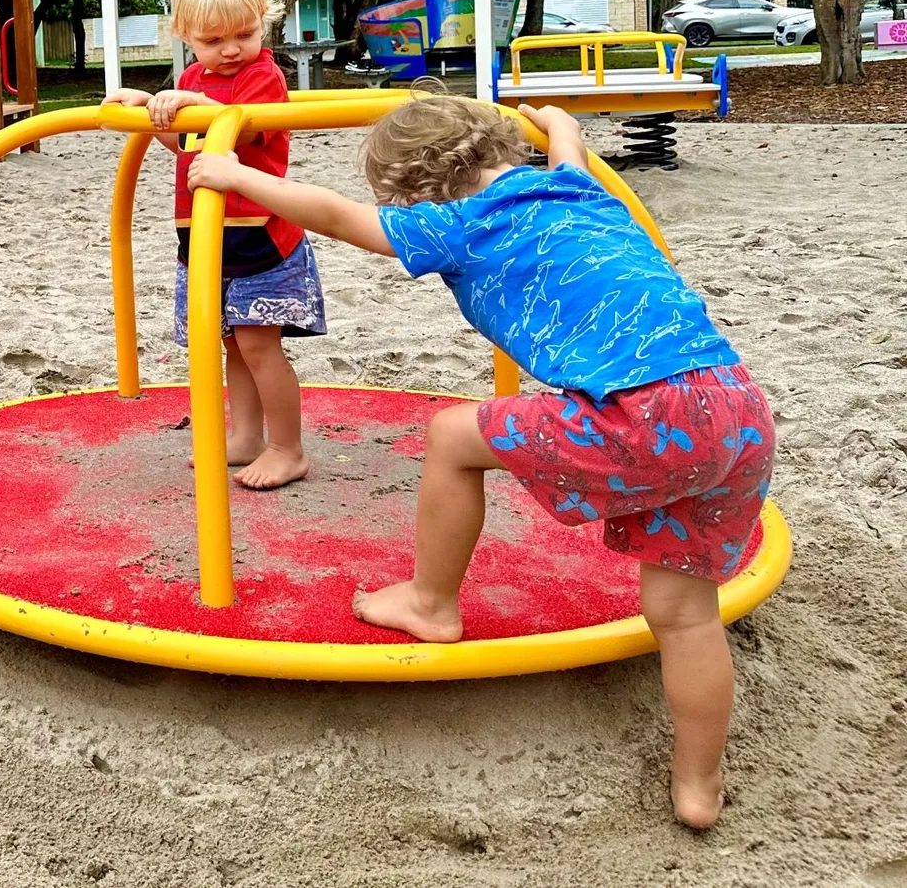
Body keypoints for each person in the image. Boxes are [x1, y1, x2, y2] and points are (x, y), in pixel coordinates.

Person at [187, 93, 774, 830]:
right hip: (736, 409)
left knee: (452, 437)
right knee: (687, 616)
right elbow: (570, 150)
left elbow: (333, 215)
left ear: (411, 194)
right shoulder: (570, 188)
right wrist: (559, 123)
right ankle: (698, 786)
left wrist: (236, 176)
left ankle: (431, 603)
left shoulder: (457, 222)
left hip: (646, 417)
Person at [106, 0, 326, 489]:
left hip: (262, 241)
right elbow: (184, 145)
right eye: (212, 40)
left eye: (244, 34)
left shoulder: (264, 77)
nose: (231, 49)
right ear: (183, 32)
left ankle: (287, 446)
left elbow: (239, 131)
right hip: (208, 237)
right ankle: (247, 436)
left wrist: (179, 105)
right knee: (231, 341)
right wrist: (148, 106)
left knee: (258, 344)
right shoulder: (191, 83)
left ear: (263, 22)